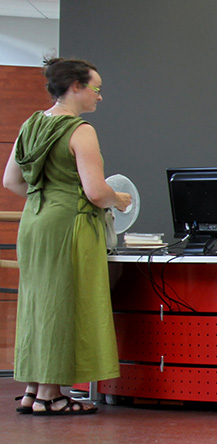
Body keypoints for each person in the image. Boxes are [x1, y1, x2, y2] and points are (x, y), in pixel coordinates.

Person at [4, 58, 132, 415]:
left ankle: (33, 389)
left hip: (35, 222)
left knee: (38, 303)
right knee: (62, 303)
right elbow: (96, 192)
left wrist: (45, 198)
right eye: (96, 89)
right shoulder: (80, 130)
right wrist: (119, 199)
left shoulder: (31, 124)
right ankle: (51, 395)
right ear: (76, 86)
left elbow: (11, 181)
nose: (100, 97)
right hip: (69, 225)